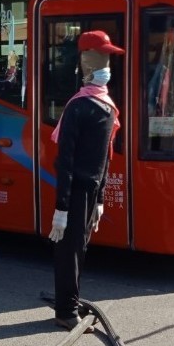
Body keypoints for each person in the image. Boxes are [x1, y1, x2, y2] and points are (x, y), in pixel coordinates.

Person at [48, 30, 123, 330]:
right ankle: (65, 310)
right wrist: (62, 207)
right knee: (69, 251)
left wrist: (102, 198)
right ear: (87, 64)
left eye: (108, 60)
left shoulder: (106, 105)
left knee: (80, 248)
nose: (106, 66)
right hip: (76, 189)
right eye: (100, 59)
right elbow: (64, 160)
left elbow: (105, 156)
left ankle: (71, 300)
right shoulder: (78, 107)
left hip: (92, 191)